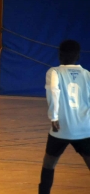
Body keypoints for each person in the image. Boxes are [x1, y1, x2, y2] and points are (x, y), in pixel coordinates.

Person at [39, 40, 90, 194]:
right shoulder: (87, 75)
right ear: (78, 56)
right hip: (84, 129)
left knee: (49, 164)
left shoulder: (54, 72)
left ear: (59, 55)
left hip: (60, 128)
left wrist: (53, 116)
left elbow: (53, 92)